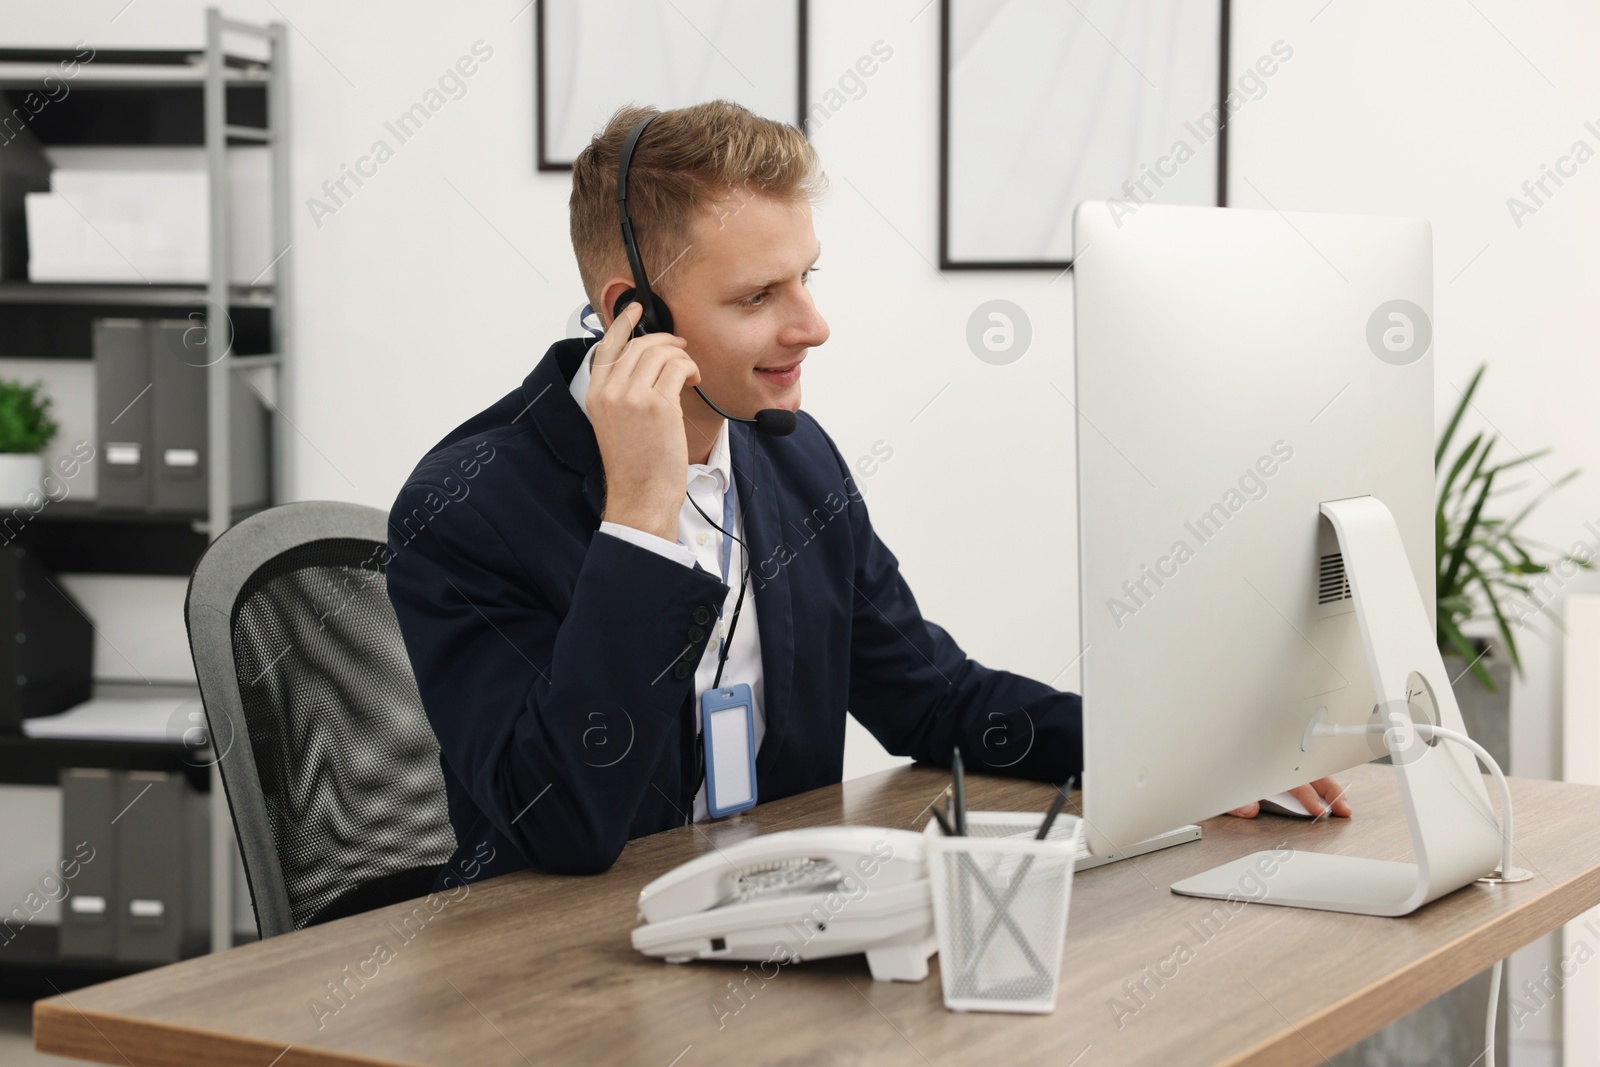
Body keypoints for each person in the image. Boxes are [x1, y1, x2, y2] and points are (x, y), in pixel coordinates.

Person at [385, 100, 1347, 886]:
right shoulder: (466, 506)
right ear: (629, 312)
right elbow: (563, 827)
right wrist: (639, 518)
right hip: (553, 986)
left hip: (769, 937)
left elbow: (938, 701)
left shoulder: (794, 464)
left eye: (807, 276)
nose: (814, 324)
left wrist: (1191, 756)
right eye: (758, 296)